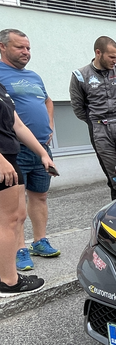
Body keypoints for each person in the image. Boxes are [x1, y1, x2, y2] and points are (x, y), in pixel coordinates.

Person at [0, 29, 60, 272]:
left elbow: (47, 100)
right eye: (20, 47)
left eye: (28, 48)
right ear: (2, 47)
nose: (26, 52)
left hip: (40, 147)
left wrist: (49, 125)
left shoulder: (34, 76)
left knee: (40, 196)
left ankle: (39, 241)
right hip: (15, 150)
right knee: (17, 210)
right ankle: (18, 250)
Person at [0, 80, 57, 296]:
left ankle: (8, 274)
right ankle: (8, 281)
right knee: (7, 219)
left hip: (10, 155)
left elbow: (19, 126)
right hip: (2, 159)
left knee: (18, 216)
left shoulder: (2, 89)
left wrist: (42, 153)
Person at [69, 36, 116, 200]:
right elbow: (78, 107)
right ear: (98, 53)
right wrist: (95, 123)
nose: (115, 60)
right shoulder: (80, 76)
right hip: (100, 130)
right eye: (111, 57)